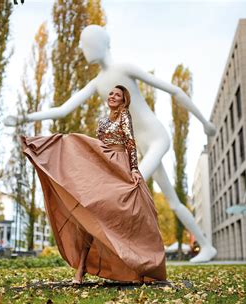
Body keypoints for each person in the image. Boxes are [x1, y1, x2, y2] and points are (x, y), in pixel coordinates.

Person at [5, 25, 218, 263]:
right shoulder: (98, 83)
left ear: (101, 43)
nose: (82, 48)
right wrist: (23, 118)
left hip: (157, 138)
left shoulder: (123, 68)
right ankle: (207, 247)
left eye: (86, 43)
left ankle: (133, 254)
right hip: (140, 146)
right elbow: (62, 110)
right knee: (174, 202)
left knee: (130, 187)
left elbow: (174, 90)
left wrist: (204, 123)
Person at [21, 85, 167, 284]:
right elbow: (98, 147)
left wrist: (133, 169)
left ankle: (138, 268)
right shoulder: (102, 121)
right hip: (104, 166)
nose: (113, 96)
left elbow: (130, 142)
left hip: (121, 166)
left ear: (124, 101)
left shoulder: (124, 115)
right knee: (91, 213)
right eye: (112, 93)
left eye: (118, 95)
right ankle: (80, 270)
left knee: (132, 214)